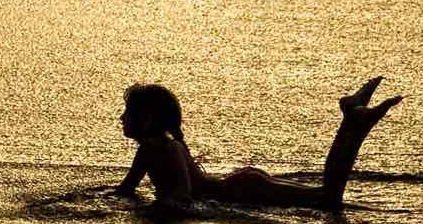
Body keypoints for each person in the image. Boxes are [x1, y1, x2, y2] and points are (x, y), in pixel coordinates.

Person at [114, 76, 401, 211]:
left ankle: (352, 121)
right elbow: (125, 190)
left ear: (148, 119)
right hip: (242, 186)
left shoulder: (166, 147)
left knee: (328, 199)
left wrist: (158, 208)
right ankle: (353, 121)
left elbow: (182, 195)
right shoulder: (148, 149)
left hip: (242, 190)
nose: (121, 118)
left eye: (128, 113)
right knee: (326, 197)